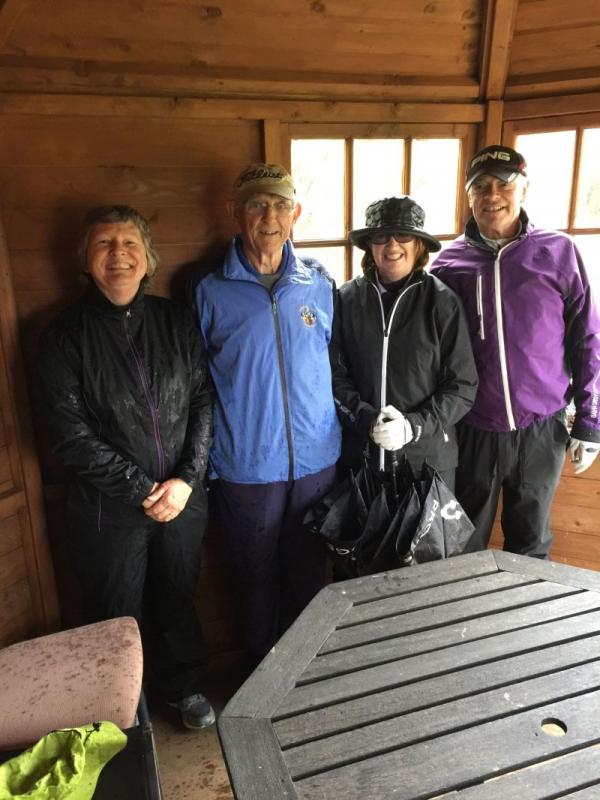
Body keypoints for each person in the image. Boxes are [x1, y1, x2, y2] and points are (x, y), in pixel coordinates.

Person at [39, 205, 215, 730]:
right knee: (115, 614)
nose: (118, 255)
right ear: (86, 261)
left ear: (148, 258)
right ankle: (121, 715)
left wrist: (186, 480)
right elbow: (70, 436)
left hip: (183, 500)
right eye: (104, 244)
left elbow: (204, 401)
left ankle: (182, 689)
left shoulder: (175, 319)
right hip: (106, 510)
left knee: (178, 599)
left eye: (129, 244)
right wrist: (144, 489)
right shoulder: (63, 336)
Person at [194, 163, 341, 668]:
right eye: (257, 204)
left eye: (280, 205)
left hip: (317, 460)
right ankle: (259, 674)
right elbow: (196, 383)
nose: (269, 216)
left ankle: (299, 674)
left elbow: (335, 365)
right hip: (246, 465)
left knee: (306, 570)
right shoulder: (209, 291)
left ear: (295, 214)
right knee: (252, 575)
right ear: (235, 212)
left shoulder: (319, 284)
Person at [431, 144, 600, 558]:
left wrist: (591, 420)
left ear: (523, 190)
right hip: (474, 430)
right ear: (469, 196)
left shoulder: (557, 251)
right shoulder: (447, 264)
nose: (492, 195)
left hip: (542, 429)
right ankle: (465, 622)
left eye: (504, 185)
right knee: (463, 543)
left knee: (531, 544)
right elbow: (430, 352)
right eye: (481, 187)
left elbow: (588, 337)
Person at [331, 195, 478, 490]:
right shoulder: (345, 299)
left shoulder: (442, 302)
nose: (392, 245)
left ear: (419, 245)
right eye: (382, 236)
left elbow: (462, 387)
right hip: (361, 461)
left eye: (404, 235)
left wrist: (413, 426)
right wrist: (367, 420)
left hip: (427, 462)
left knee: (425, 540)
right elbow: (333, 376)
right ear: (369, 246)